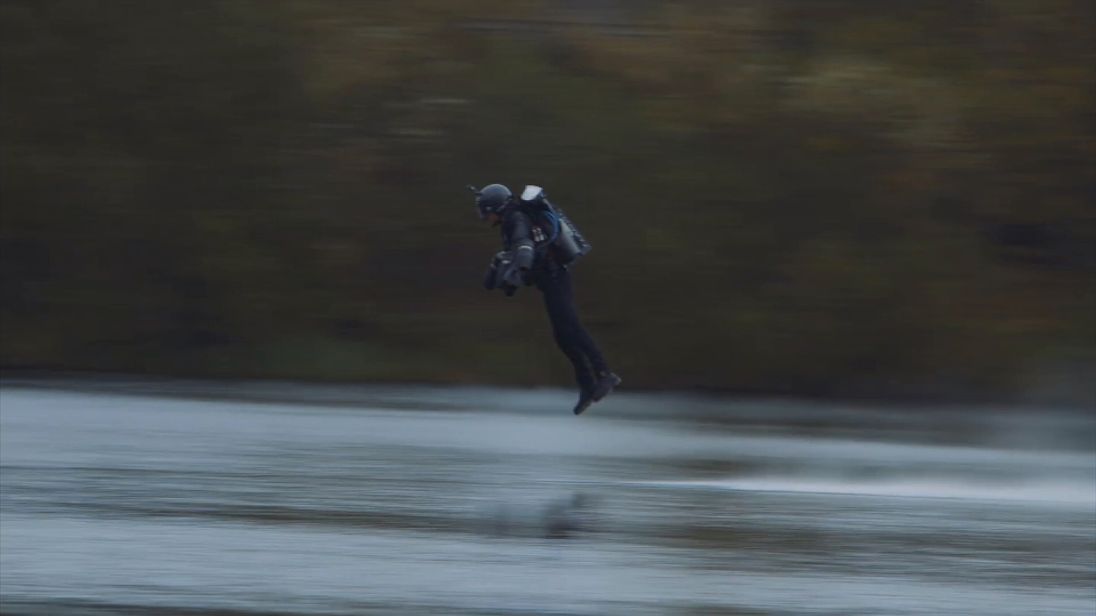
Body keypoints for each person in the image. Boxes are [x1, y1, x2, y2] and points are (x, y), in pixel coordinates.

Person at [472, 183, 621, 415]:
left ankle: (604, 374)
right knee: (562, 336)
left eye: (485, 210)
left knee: (571, 327)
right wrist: (509, 278)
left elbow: (524, 247)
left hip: (555, 277)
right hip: (548, 280)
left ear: (495, 207)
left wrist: (520, 270)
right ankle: (587, 384)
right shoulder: (510, 221)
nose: (484, 216)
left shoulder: (516, 219)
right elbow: (520, 252)